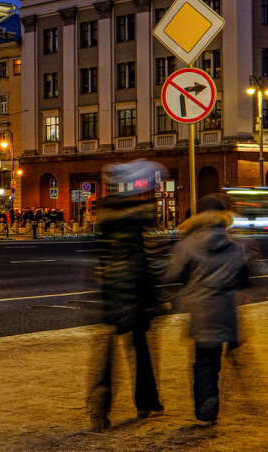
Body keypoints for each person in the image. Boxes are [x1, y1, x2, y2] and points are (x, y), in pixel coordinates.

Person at [163, 195, 256, 424]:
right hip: (226, 312)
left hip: (201, 313)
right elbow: (245, 277)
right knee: (214, 361)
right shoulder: (234, 246)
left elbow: (173, 274)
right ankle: (212, 398)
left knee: (203, 360)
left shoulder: (187, 245)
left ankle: (207, 402)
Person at [88, 159, 166, 431]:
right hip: (136, 296)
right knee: (141, 350)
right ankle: (146, 402)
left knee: (107, 356)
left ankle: (100, 404)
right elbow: (146, 264)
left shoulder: (105, 221)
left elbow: (100, 261)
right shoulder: (136, 226)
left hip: (112, 294)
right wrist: (155, 298)